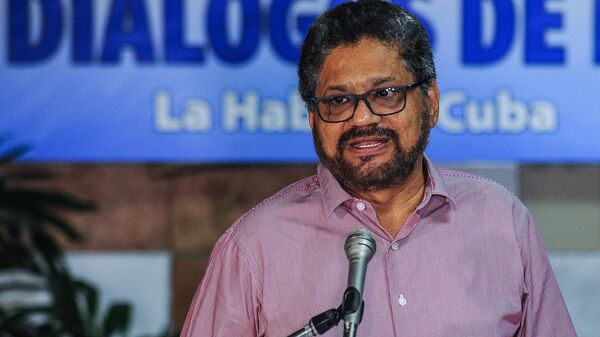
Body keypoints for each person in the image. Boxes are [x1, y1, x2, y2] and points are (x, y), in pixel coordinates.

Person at [180, 1, 577, 336]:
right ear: (313, 118)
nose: (362, 119)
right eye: (338, 101)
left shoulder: (501, 221)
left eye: (386, 94)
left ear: (431, 101)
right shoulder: (255, 247)